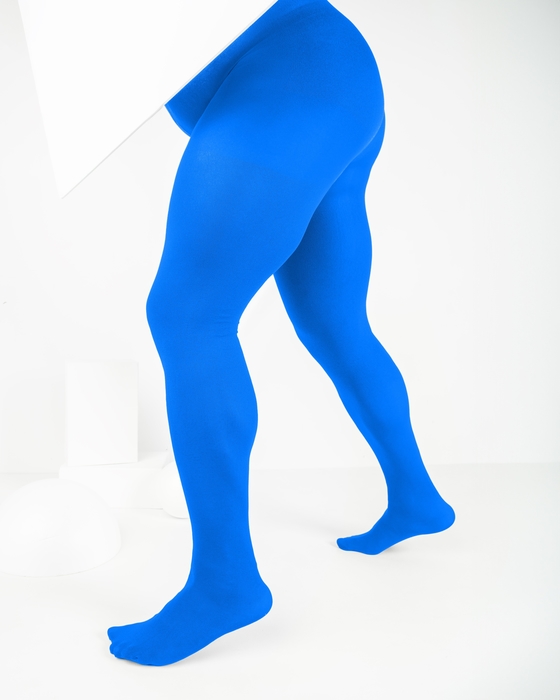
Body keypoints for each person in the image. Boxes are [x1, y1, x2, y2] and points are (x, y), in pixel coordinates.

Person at [107, 0, 455, 666]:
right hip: (327, 73)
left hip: (286, 83)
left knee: (187, 315)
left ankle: (225, 583)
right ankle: (418, 497)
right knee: (333, 319)